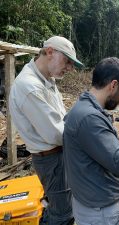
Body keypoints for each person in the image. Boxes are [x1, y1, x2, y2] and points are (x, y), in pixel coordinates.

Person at [9, 36, 84, 225]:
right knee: (63, 213)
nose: (69, 68)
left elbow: (61, 116)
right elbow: (56, 134)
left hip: (56, 155)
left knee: (62, 205)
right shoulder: (30, 86)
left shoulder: (46, 79)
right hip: (51, 158)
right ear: (50, 52)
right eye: (67, 61)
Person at [63, 57, 119, 225]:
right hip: (102, 214)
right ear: (113, 85)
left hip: (90, 203)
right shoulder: (90, 118)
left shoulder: (83, 106)